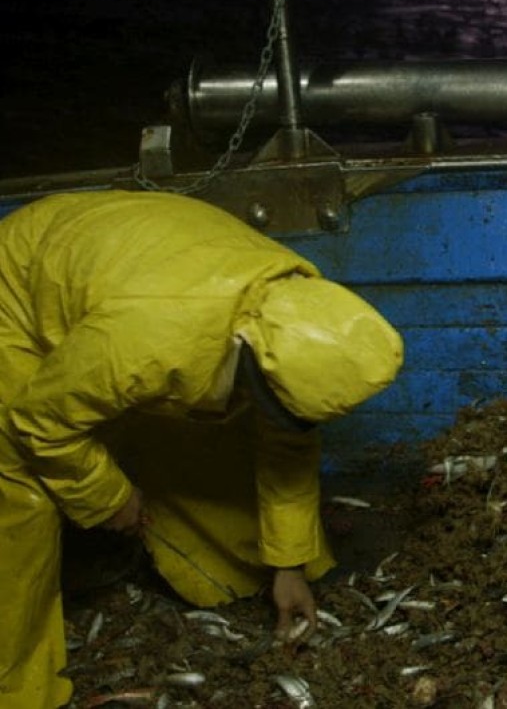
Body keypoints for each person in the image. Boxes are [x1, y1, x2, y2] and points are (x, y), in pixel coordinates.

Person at [0, 191, 404, 709]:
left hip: (130, 289)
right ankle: (18, 688)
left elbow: (286, 444)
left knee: (209, 433)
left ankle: (224, 576)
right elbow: (38, 420)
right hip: (20, 290)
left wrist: (288, 566)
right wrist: (107, 497)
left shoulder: (302, 318)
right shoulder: (146, 338)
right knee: (20, 494)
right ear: (243, 347)